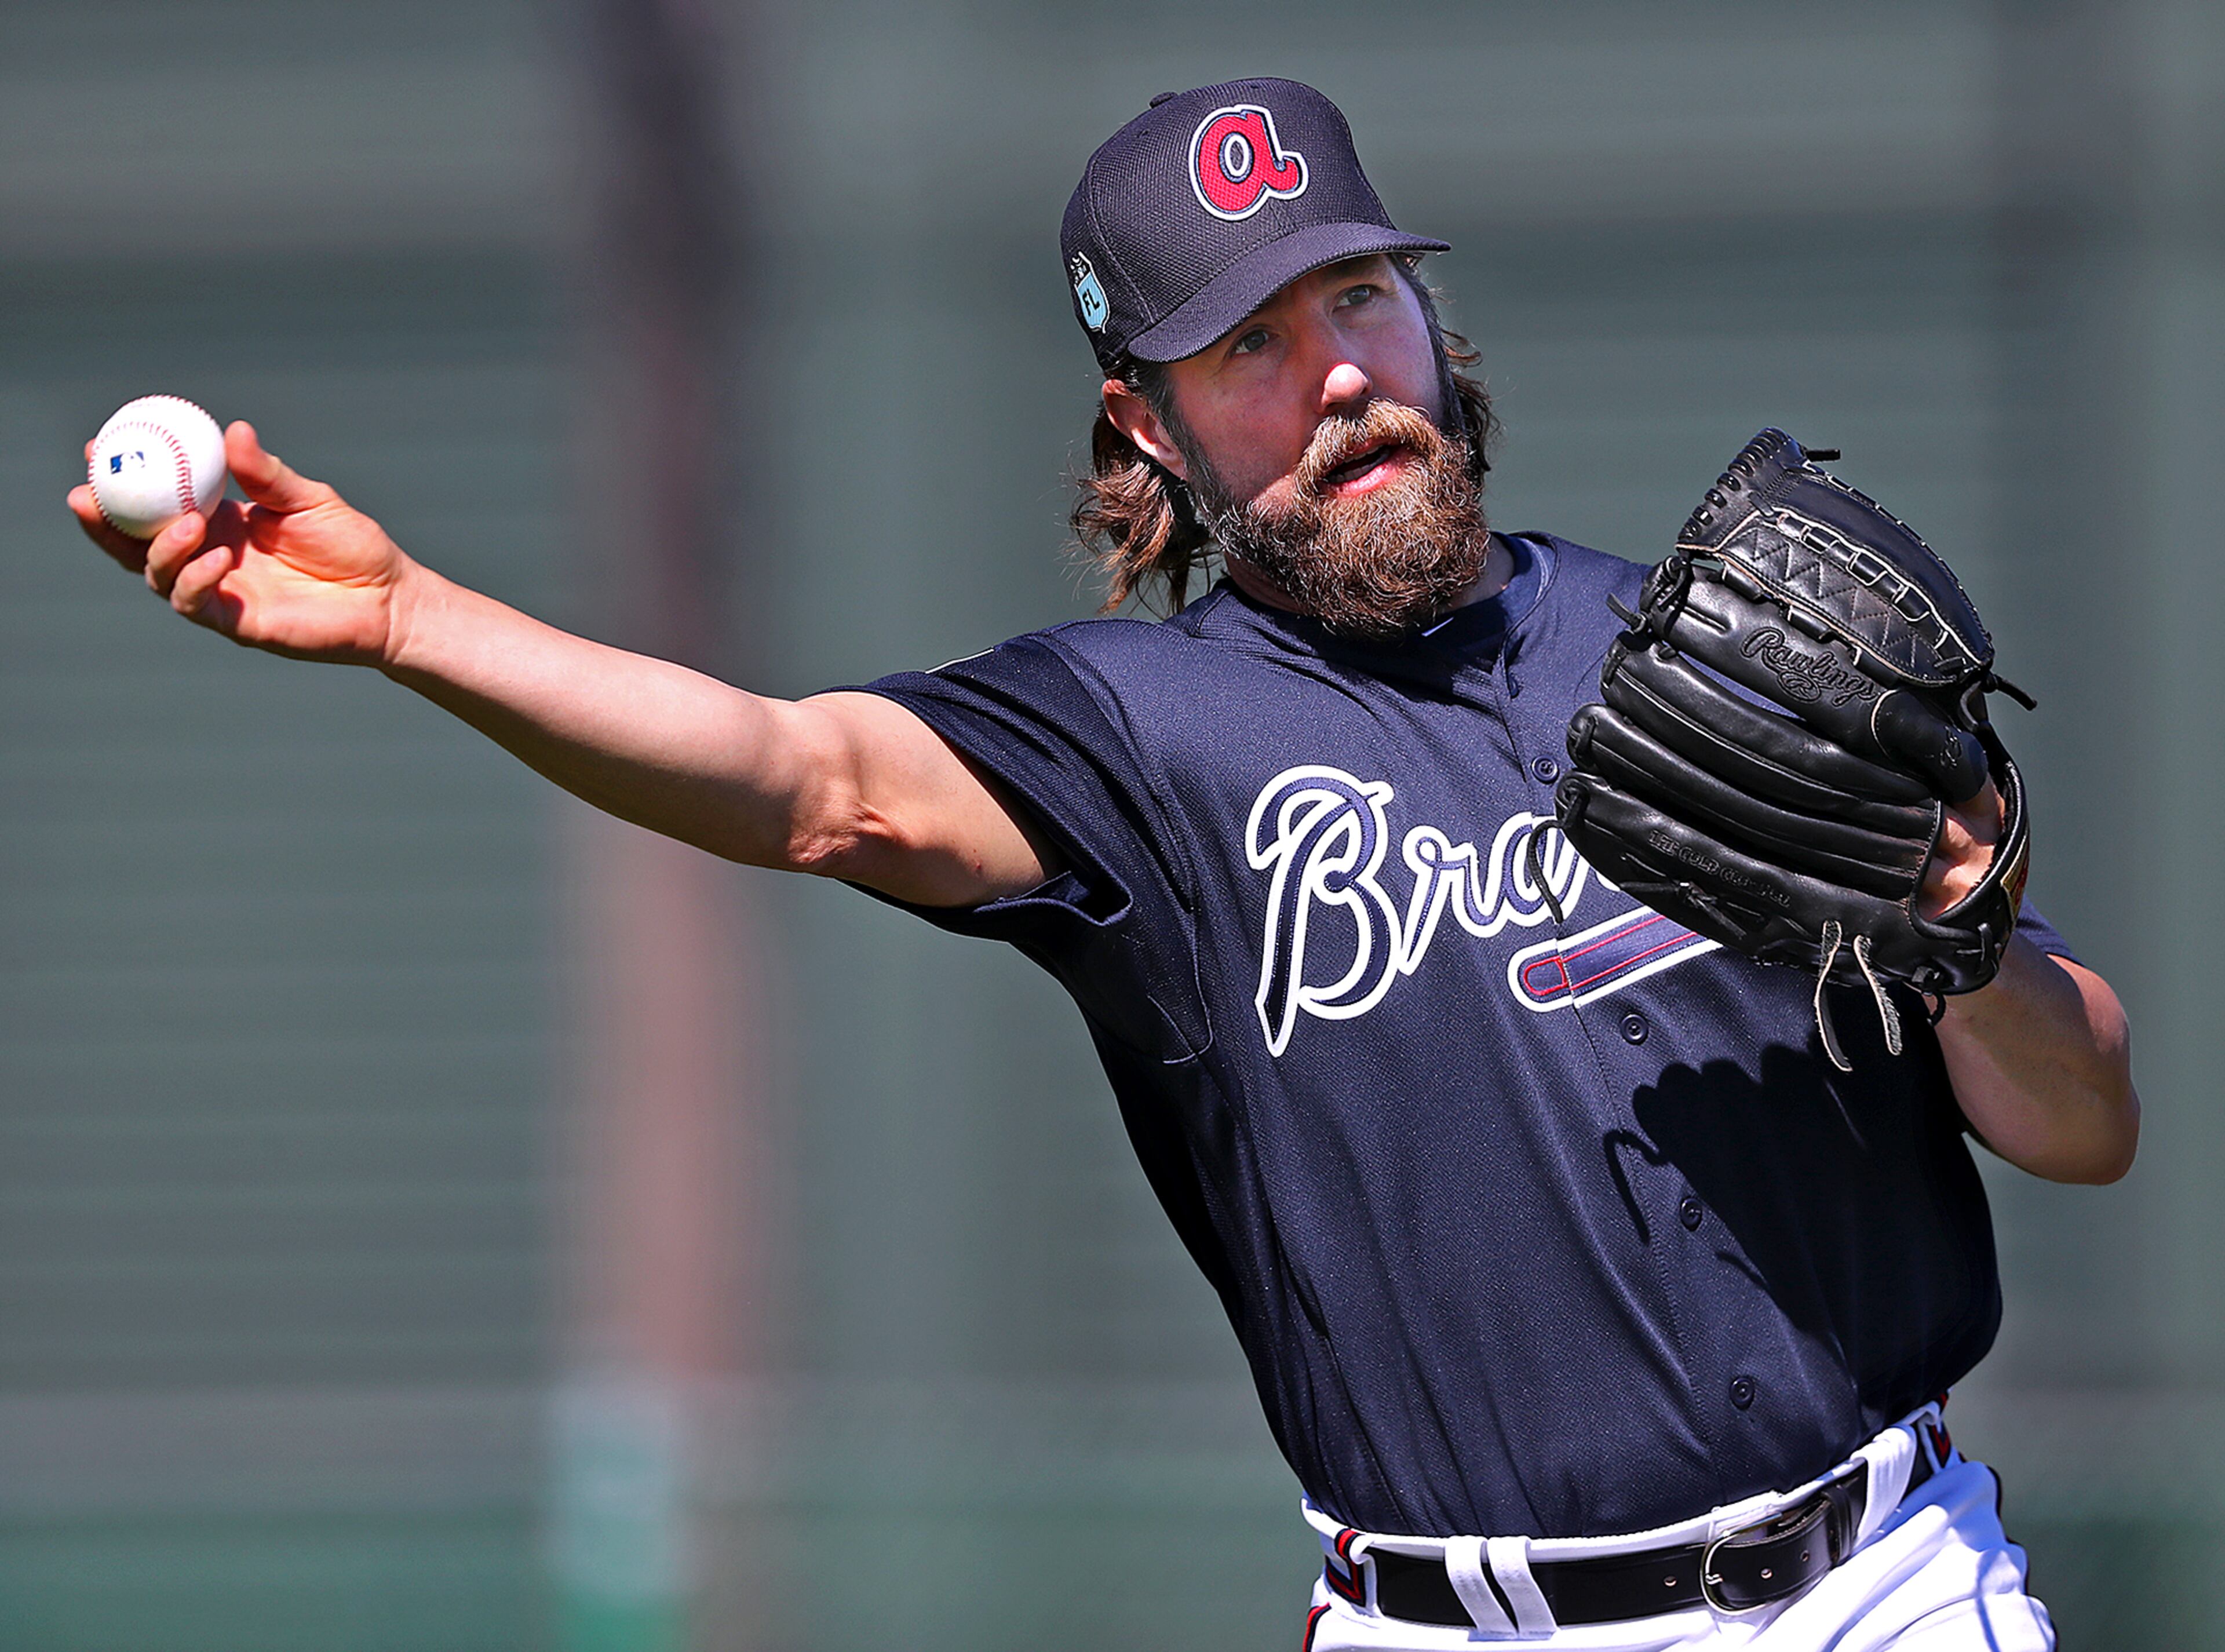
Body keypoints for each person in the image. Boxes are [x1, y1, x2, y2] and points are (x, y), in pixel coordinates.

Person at [70, 76, 2135, 1652]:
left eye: (1362, 297)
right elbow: (806, 776)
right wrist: (417, 613)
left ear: (1428, 314)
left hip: (1874, 1590)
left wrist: (1962, 932)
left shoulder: (1707, 659)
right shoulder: (1142, 744)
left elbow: (2087, 1118)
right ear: (1143, 425)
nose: (1340, 375)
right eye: (1250, 343)